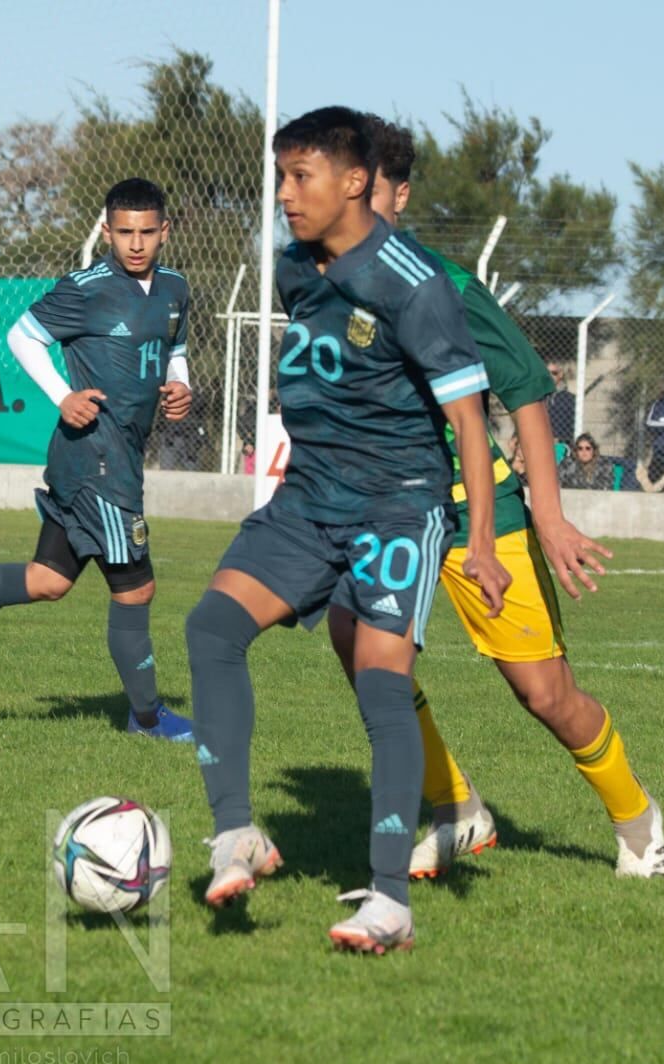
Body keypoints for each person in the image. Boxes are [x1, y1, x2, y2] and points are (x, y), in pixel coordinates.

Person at [186, 107, 509, 955]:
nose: (284, 195)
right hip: (307, 498)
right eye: (280, 177)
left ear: (355, 180)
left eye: (301, 177)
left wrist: (478, 540)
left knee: (379, 685)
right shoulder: (294, 267)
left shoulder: (415, 283)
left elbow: (469, 419)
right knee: (211, 628)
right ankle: (236, 833)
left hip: (396, 505)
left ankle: (390, 902)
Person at [360, 116, 664, 884]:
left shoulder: (445, 286)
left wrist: (549, 515)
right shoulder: (328, 286)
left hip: (478, 514)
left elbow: (526, 387)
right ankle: (456, 807)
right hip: (392, 513)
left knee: (544, 694)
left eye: (371, 190)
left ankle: (636, 817)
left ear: (400, 194)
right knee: (367, 654)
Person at [0, 179, 197, 743]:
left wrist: (180, 385)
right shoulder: (87, 289)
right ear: (107, 231)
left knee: (48, 579)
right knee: (135, 590)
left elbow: (174, 348)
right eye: (125, 232)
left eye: (147, 232)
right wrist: (63, 396)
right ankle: (148, 717)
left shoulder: (175, 288)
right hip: (96, 459)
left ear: (165, 231)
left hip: (116, 456)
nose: (136, 243)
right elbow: (23, 336)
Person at [545, 360, 576, 443]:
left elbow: (572, 426)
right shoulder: (540, 397)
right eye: (547, 373)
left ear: (560, 374)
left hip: (561, 443)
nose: (550, 376)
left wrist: (560, 439)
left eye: (554, 373)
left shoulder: (570, 399)